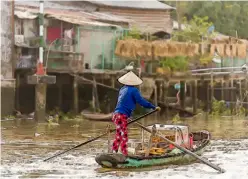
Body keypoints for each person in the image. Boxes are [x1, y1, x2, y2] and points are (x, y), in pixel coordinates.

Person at [112, 71, 160, 156]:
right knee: (123, 135)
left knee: (120, 134)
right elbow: (141, 101)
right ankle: (123, 153)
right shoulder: (134, 90)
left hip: (116, 115)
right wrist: (153, 107)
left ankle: (115, 151)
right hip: (121, 115)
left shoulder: (122, 89)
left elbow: (123, 102)